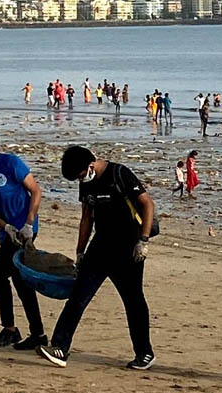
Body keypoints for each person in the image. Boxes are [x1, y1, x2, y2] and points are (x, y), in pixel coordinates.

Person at [39, 145, 156, 370]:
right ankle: (60, 347)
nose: (81, 180)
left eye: (81, 175)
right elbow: (86, 217)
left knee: (133, 301)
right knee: (78, 296)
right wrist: (80, 251)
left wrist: (144, 240)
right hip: (100, 246)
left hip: (128, 248)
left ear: (90, 165)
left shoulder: (119, 174)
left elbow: (147, 204)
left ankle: (145, 353)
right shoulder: (86, 183)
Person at [0, 123, 46, 350]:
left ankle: (10, 329)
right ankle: (38, 334)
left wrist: (28, 224)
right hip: (8, 233)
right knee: (21, 281)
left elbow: (35, 191)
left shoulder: (10, 163)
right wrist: (6, 228)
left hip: (25, 230)